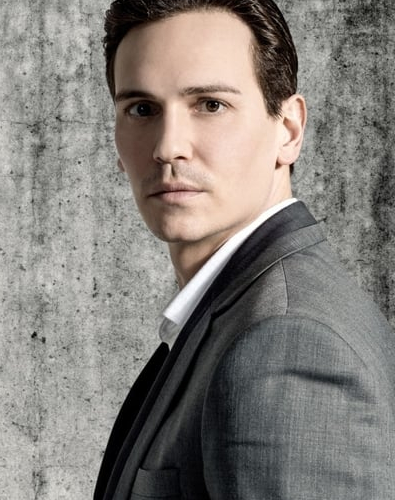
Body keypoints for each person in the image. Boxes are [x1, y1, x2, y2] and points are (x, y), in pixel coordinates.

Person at [94, 1, 395, 498]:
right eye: (142, 109)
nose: (167, 147)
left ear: (289, 130)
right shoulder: (244, 313)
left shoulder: (287, 343)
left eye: (210, 105)